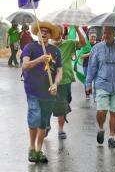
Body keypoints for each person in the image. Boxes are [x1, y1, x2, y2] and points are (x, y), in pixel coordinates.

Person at [21, 21, 62, 163]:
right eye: (41, 30)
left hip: (49, 93)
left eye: (47, 31)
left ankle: (39, 150)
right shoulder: (29, 47)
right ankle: (31, 148)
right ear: (37, 33)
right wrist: (40, 59)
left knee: (43, 122)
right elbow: (25, 65)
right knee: (35, 117)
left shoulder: (56, 51)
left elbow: (59, 71)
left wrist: (56, 84)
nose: (44, 33)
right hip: (32, 90)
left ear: (50, 35)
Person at [85, 26, 115, 148]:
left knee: (114, 113)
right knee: (101, 111)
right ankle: (101, 128)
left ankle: (112, 137)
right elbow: (92, 67)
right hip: (102, 83)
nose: (106, 35)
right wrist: (88, 83)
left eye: (109, 33)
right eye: (104, 33)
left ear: (114, 33)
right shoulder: (97, 48)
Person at [47, 25, 86, 140]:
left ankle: (60, 129)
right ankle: (46, 125)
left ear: (61, 34)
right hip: (49, 80)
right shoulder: (46, 46)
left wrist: (78, 28)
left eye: (58, 33)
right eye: (53, 33)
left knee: (63, 106)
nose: (55, 35)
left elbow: (83, 43)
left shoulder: (69, 43)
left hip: (65, 80)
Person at [81, 29, 98, 100]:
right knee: (88, 81)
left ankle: (95, 96)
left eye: (94, 36)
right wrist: (90, 53)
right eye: (92, 36)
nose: (93, 38)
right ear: (88, 36)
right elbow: (81, 56)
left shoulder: (98, 44)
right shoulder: (85, 44)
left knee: (96, 81)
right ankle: (87, 94)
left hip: (96, 65)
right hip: (86, 65)